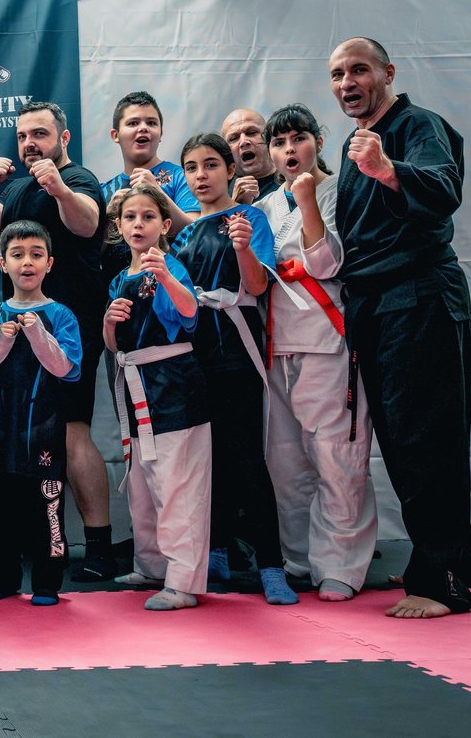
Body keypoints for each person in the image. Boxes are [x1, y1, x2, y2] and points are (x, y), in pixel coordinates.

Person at [329, 37, 471, 618]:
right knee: (402, 437)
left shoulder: (419, 125)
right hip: (376, 303)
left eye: (360, 69)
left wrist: (387, 169)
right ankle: (455, 554)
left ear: (388, 73)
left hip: (416, 296)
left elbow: (443, 191)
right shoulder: (353, 142)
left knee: (425, 438)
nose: (348, 82)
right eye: (338, 73)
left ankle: (439, 580)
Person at [0, 100, 115, 582]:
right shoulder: (13, 187)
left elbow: (89, 223)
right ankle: (23, 550)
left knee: (71, 429)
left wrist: (55, 184)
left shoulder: (79, 180)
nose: (30, 143)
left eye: (40, 133)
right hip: (13, 326)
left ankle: (98, 544)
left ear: (64, 138)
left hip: (67, 324)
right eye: (23, 136)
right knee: (15, 437)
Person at [258, 103, 377, 602]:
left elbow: (327, 262)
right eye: (280, 143)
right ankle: (300, 559)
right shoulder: (264, 205)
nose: (290, 150)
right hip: (276, 345)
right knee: (286, 464)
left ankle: (341, 566)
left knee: (336, 457)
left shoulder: (339, 190)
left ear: (319, 142)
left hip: (328, 340)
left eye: (298, 139)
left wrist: (307, 201)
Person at [172, 133, 296, 605]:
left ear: (229, 170)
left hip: (235, 351)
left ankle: (271, 566)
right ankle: (217, 551)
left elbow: (259, 285)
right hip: (194, 354)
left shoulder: (250, 219)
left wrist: (244, 247)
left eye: (209, 165)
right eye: (191, 167)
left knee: (246, 458)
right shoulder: (182, 234)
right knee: (206, 459)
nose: (200, 175)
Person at [103, 185, 211, 611]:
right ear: (118, 227)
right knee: (143, 486)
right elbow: (113, 346)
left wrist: (165, 276)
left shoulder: (173, 266)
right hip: (135, 382)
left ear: (165, 225)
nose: (138, 225)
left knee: (176, 483)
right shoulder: (118, 278)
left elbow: (190, 315)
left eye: (148, 217)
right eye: (130, 217)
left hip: (173, 383)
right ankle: (151, 564)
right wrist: (109, 324)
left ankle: (183, 579)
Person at [0, 220, 82, 605]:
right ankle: (4, 579)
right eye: (17, 255)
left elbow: (66, 368)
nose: (27, 263)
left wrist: (37, 333)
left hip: (45, 431)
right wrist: (1, 339)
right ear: (3, 263)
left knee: (47, 506)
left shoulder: (62, 315)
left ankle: (48, 582)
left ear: (49, 263)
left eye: (36, 255)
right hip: (0, 432)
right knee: (0, 508)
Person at [100, 91, 199, 280]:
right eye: (133, 123)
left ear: (160, 133)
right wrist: (108, 219)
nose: (143, 128)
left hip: (169, 289)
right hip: (117, 295)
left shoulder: (181, 176)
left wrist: (157, 193)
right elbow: (93, 254)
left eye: (151, 123)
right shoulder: (105, 189)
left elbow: (196, 231)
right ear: (115, 135)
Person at [222, 108, 281, 204]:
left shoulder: (290, 178)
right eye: (233, 138)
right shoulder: (219, 189)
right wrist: (237, 206)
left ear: (268, 137)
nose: (244, 142)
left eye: (252, 133)